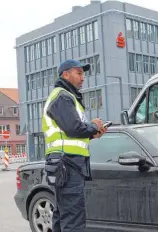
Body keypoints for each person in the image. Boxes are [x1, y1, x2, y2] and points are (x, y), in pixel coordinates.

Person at [42, 59, 107, 232]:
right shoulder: (62, 96)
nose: (82, 77)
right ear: (66, 74)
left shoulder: (65, 97)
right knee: (73, 219)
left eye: (83, 73)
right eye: (78, 73)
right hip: (67, 164)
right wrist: (93, 125)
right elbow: (73, 128)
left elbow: (69, 134)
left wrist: (92, 134)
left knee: (62, 216)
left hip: (63, 163)